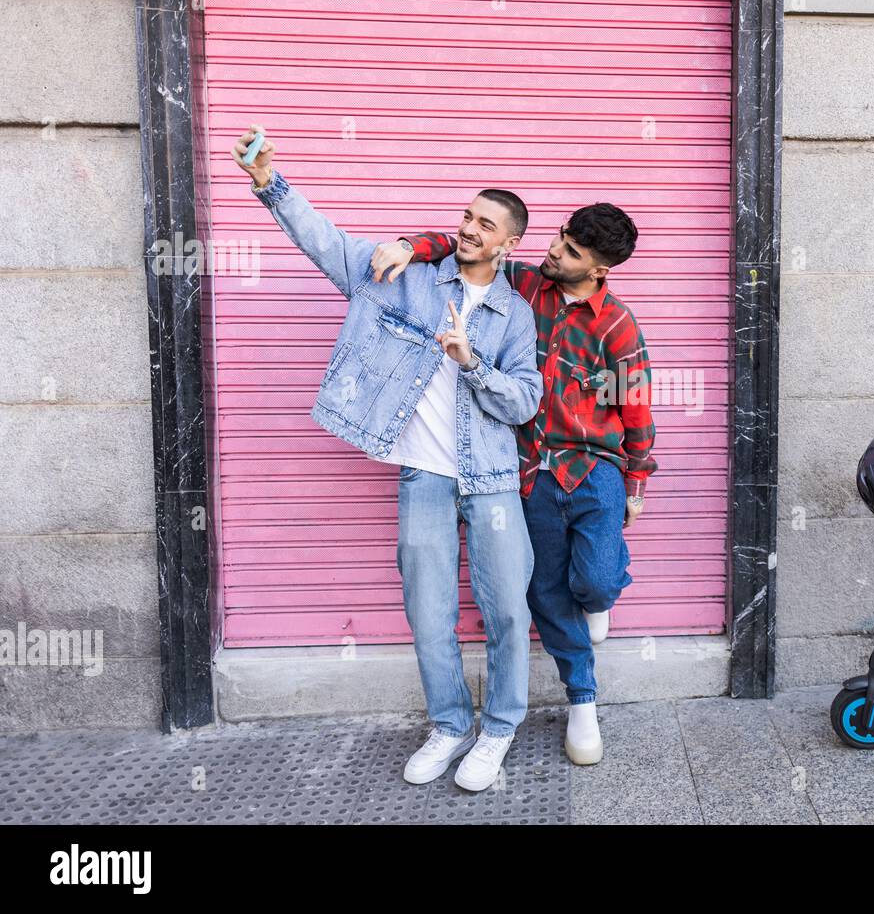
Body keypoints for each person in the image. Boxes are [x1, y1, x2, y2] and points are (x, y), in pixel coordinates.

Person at [231, 126, 542, 791]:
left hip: (491, 482)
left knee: (509, 611)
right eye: (465, 216)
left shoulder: (516, 315)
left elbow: (523, 402)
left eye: (484, 224)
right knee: (428, 610)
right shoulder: (404, 275)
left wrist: (472, 363)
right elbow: (324, 241)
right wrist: (269, 183)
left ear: (508, 243)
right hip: (424, 479)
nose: (468, 228)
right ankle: (451, 724)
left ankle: (498, 729)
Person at [367, 204, 656, 765]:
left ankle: (599, 596)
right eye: (560, 238)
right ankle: (582, 701)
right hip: (531, 474)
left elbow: (636, 408)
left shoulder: (618, 327)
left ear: (599, 270)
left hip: (596, 470)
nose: (554, 251)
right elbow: (463, 250)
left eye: (571, 252)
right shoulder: (525, 284)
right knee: (544, 594)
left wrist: (637, 484)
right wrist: (409, 244)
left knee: (594, 581)